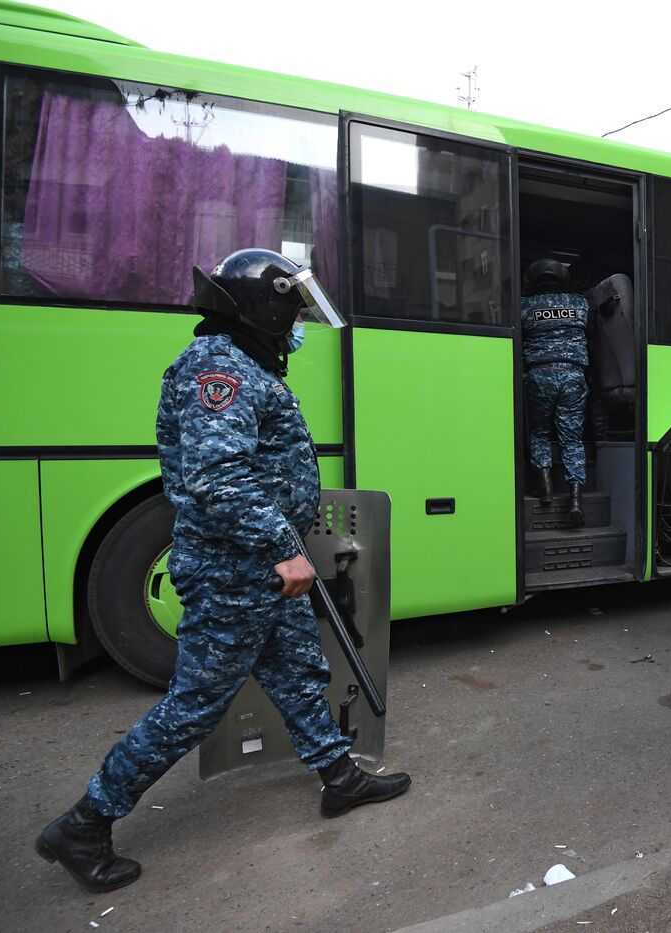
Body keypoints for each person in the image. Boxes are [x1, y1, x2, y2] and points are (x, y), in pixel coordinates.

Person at [35, 249, 410, 893]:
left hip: (261, 567)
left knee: (297, 671)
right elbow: (217, 478)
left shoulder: (239, 363)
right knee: (194, 707)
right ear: (262, 312)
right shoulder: (220, 371)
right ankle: (84, 822)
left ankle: (338, 778)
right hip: (235, 570)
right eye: (290, 311)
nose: (295, 325)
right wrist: (282, 547)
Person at [522, 258, 591, 527]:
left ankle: (545, 487)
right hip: (574, 375)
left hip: (540, 374)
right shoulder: (580, 304)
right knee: (572, 439)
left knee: (540, 432)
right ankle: (575, 499)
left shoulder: (524, 306)